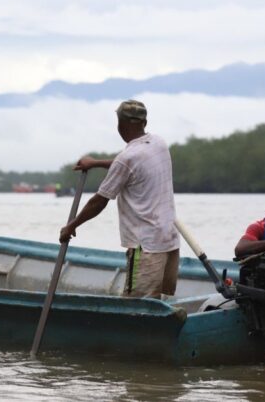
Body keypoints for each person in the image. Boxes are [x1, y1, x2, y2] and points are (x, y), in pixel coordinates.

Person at [59, 100, 180, 299]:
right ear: (144, 122)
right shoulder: (158, 143)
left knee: (136, 306)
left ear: (121, 125)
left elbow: (99, 201)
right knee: (155, 303)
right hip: (168, 241)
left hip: (145, 247)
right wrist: (96, 163)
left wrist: (71, 226)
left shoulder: (128, 158)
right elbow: (128, 165)